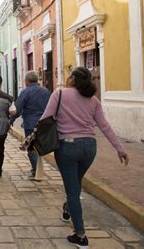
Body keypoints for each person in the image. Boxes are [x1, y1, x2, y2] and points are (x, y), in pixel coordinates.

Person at [41, 66, 129, 248]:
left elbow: (45, 119)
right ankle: (67, 209)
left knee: (73, 190)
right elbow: (104, 125)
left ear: (72, 79)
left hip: (67, 147)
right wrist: (120, 149)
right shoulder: (94, 100)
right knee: (75, 183)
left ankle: (80, 235)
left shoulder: (59, 94)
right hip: (89, 147)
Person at [10, 71, 51, 179]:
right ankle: (38, 168)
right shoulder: (46, 91)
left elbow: (17, 109)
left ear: (27, 81)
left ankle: (36, 171)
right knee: (40, 146)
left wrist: (11, 120)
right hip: (44, 123)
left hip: (30, 123)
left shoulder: (25, 92)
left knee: (31, 147)